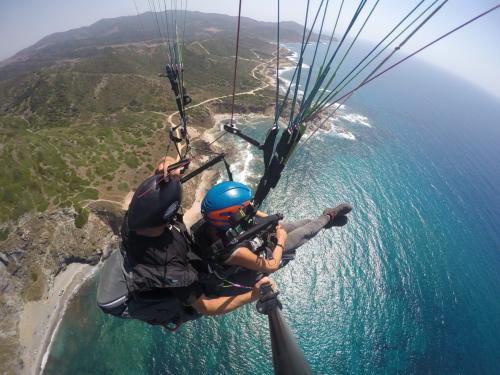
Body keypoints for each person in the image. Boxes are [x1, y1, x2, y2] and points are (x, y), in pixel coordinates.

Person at [97, 157, 275, 330]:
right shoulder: (171, 264)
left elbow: (150, 195)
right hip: (120, 299)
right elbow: (206, 306)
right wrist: (252, 295)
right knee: (184, 304)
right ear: (168, 215)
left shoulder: (134, 222)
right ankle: (174, 314)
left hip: (124, 267)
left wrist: (162, 174)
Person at [191, 181, 352, 295]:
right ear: (230, 217)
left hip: (256, 238)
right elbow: (271, 266)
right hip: (266, 252)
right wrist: (281, 240)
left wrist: (270, 220)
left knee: (302, 223)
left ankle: (324, 223)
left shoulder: (214, 223)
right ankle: (329, 216)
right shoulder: (233, 252)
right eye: (242, 208)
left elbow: (250, 212)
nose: (247, 209)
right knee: (305, 232)